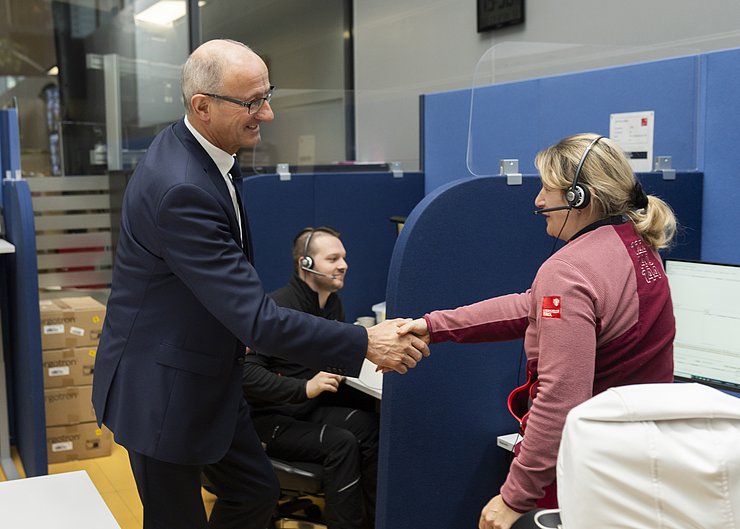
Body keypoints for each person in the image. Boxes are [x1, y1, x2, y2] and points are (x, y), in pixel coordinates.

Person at [91, 39, 429, 529]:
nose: (267, 114)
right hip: (161, 388)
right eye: (251, 102)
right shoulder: (182, 187)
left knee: (254, 491)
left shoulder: (206, 150)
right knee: (175, 519)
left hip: (208, 377)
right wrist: (365, 343)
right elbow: (255, 318)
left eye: (267, 96)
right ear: (201, 106)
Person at [398, 133, 677, 529]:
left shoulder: (570, 270)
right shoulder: (637, 247)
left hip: (581, 469)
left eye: (548, 189)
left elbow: (559, 399)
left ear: (580, 197)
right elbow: (531, 306)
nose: (539, 201)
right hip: (633, 460)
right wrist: (433, 326)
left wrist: (513, 498)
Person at [243, 226, 379, 529]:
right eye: (332, 258)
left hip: (306, 412)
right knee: (341, 443)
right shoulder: (276, 309)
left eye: (343, 257)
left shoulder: (331, 304)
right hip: (269, 419)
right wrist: (305, 387)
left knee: (369, 427)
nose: (343, 265)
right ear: (305, 264)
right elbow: (247, 374)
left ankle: (374, 521)